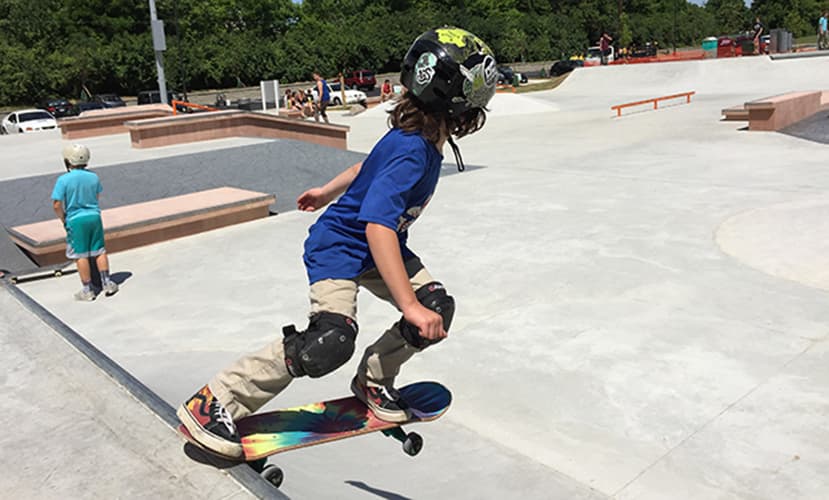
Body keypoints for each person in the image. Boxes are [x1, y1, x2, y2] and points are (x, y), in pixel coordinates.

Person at [176, 26, 498, 459]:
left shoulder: (418, 136)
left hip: (378, 246)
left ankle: (373, 380)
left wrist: (327, 190)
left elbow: (368, 168)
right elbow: (377, 227)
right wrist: (408, 305)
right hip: (341, 247)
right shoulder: (412, 149)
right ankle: (216, 399)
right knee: (329, 342)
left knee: (438, 307)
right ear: (461, 101)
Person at [51, 144, 119, 301]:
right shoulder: (93, 177)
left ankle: (88, 290)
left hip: (75, 219)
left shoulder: (63, 180)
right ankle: (107, 283)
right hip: (94, 217)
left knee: (80, 254)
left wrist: (63, 218)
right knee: (99, 250)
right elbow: (96, 197)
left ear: (68, 160)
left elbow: (56, 204)